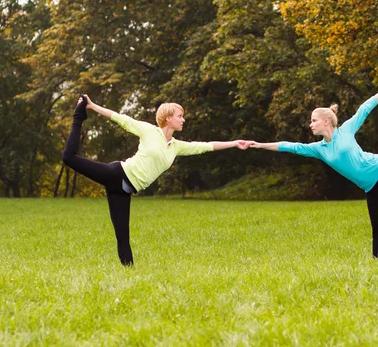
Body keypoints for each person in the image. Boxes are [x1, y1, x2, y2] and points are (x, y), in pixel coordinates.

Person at [62, 94, 249, 266]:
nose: (183, 119)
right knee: (69, 158)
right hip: (117, 173)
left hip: (124, 190)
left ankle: (130, 274)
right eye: (180, 116)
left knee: (123, 235)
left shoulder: (176, 146)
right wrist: (92, 106)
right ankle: (79, 117)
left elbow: (205, 146)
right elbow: (120, 118)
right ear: (168, 118)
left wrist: (234, 143)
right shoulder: (149, 131)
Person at [249, 87, 378, 258]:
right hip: (372, 187)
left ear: (326, 121)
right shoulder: (319, 149)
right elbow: (292, 147)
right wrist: (260, 145)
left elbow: (363, 110)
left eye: (313, 120)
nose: (310, 124)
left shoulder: (346, 130)